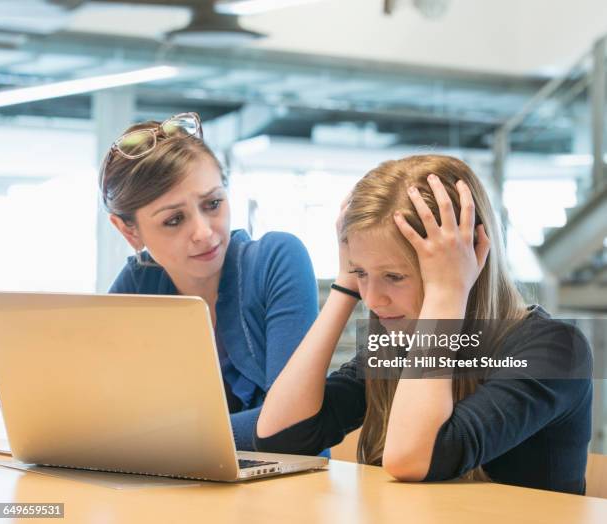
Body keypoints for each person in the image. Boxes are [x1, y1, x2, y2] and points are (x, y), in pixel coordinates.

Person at [255, 154, 592, 495]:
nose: (372, 299)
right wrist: (346, 285)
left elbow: (413, 458)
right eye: (362, 274)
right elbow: (280, 438)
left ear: (468, 261)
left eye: (394, 276)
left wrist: (447, 293)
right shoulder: (399, 343)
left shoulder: (557, 348)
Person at [99, 112, 318, 450]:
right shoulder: (139, 283)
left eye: (213, 203)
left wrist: (149, 440)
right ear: (128, 230)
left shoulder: (276, 259)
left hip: (285, 491)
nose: (203, 233)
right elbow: (94, 412)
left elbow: (288, 428)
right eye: (174, 220)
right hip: (179, 488)